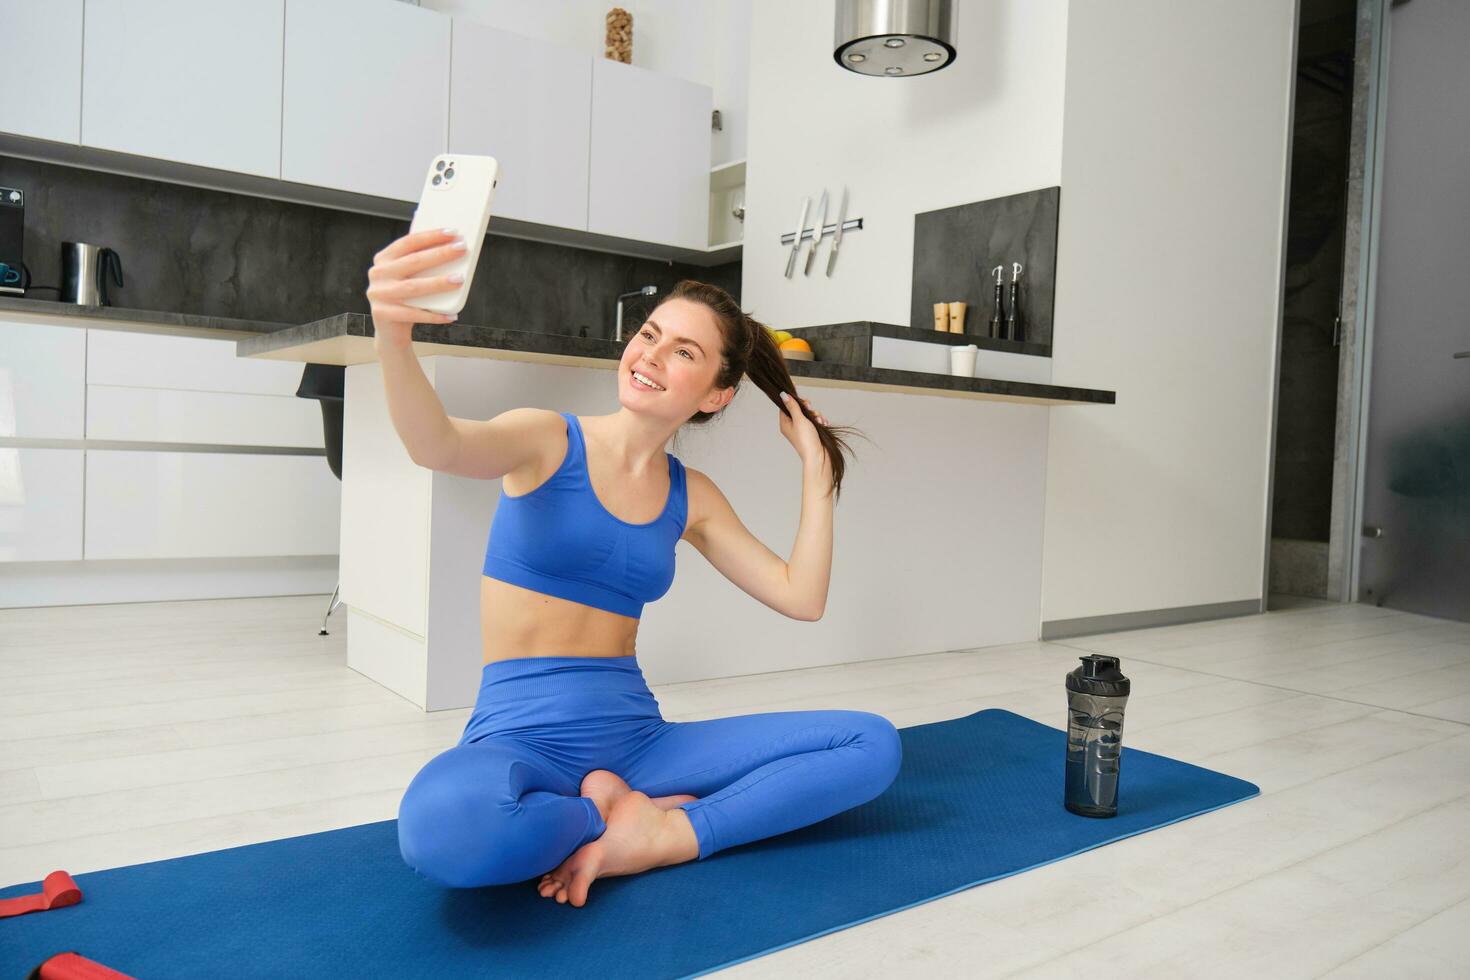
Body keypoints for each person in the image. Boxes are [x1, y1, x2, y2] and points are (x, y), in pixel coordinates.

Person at [372, 227, 902, 907]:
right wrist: (393, 336)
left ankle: (663, 836)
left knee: (871, 744)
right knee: (439, 831)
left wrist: (818, 473)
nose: (650, 355)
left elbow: (802, 598)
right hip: (519, 738)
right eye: (649, 334)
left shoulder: (692, 497)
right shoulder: (546, 440)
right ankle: (604, 814)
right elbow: (436, 444)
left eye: (684, 351)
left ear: (716, 393)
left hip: (639, 742)